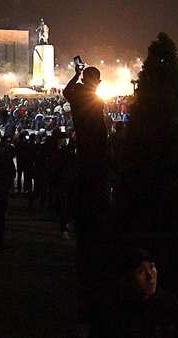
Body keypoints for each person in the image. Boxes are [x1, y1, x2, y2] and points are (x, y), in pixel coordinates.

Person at [64, 63, 109, 319]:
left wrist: (76, 74)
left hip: (86, 151)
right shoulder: (92, 97)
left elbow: (67, 91)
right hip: (95, 153)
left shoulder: (80, 94)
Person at [91, 248, 178, 338]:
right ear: (125, 280)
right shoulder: (108, 311)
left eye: (152, 267)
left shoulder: (168, 303)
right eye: (141, 271)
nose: (150, 276)